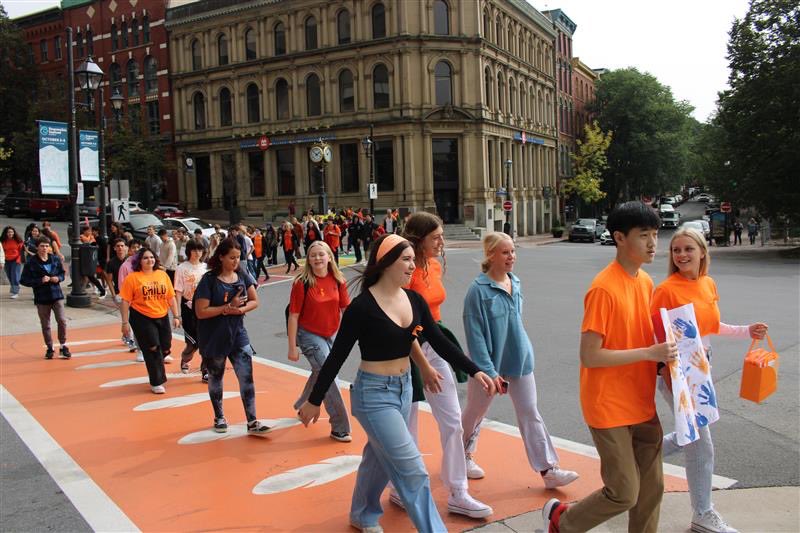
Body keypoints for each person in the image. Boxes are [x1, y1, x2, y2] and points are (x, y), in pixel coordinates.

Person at [298, 233, 496, 533]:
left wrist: (475, 370)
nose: (412, 266)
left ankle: (362, 513)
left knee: (378, 457)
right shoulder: (362, 308)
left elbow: (439, 341)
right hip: (373, 395)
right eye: (406, 260)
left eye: (412, 260)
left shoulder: (414, 300)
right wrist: (314, 400)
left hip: (403, 389)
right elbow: (336, 357)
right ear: (386, 263)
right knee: (413, 471)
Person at [543, 201, 677, 533]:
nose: (652, 243)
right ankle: (564, 521)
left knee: (652, 489)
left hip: (641, 400)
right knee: (624, 492)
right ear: (619, 237)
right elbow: (590, 355)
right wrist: (649, 353)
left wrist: (670, 356)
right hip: (608, 405)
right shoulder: (604, 288)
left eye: (655, 235)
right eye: (643, 235)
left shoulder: (645, 281)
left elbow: (643, 335)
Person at [651, 227, 768, 533]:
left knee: (689, 435)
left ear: (702, 251)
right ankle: (702, 514)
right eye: (676, 250)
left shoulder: (707, 284)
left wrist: (747, 330)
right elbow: (651, 334)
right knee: (701, 444)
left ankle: (637, 459)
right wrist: (665, 370)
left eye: (688, 249)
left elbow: (712, 326)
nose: (681, 255)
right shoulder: (665, 290)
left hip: (702, 371)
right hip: (677, 374)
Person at [394, 212, 494, 519]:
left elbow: (432, 319)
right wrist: (422, 365)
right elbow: (402, 324)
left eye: (441, 236)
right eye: (435, 237)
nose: (441, 242)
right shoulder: (404, 272)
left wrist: (473, 367)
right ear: (418, 240)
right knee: (407, 424)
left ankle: (458, 491)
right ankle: (400, 488)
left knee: (451, 418)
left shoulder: (434, 265)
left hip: (434, 341)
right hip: (405, 349)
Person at [462, 232, 579, 491]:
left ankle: (548, 470)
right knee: (475, 412)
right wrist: (489, 371)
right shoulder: (477, 291)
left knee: (530, 413)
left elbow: (515, 324)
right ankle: (462, 457)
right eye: (505, 252)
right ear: (491, 255)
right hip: (488, 367)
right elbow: (476, 337)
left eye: (513, 251)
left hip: (521, 361)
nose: (511, 256)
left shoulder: (516, 282)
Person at [194, 239, 269, 435]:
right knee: (216, 376)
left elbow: (255, 301)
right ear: (221, 257)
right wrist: (226, 309)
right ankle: (219, 416)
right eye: (232, 258)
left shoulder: (242, 274)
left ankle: (252, 421)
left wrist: (240, 309)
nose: (236, 261)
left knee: (246, 378)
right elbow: (201, 311)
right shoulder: (209, 280)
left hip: (238, 334)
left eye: (238, 257)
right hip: (214, 336)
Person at [287, 240, 352, 442]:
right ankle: (339, 426)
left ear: (329, 257)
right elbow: (293, 316)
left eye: (321, 254)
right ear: (308, 259)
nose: (317, 258)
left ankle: (303, 405)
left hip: (332, 333)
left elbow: (346, 311)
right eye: (313, 255)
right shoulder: (302, 283)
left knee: (320, 372)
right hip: (309, 335)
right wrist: (292, 347)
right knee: (328, 375)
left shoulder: (338, 280)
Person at [119, 248, 181, 394]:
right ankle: (156, 381)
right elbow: (125, 301)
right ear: (139, 261)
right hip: (141, 317)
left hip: (162, 314)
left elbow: (171, 297)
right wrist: (124, 322)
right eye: (145, 258)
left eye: (151, 257)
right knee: (152, 348)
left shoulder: (162, 275)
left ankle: (159, 359)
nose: (149, 260)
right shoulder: (133, 278)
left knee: (165, 345)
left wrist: (176, 316)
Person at [20, 236, 70, 359]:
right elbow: (24, 280)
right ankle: (50, 347)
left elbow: (62, 274)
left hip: (56, 295)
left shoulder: (55, 259)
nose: (44, 248)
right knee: (46, 324)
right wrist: (39, 280)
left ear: (50, 248)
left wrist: (58, 278)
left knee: (62, 321)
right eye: (42, 246)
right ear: (37, 247)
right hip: (41, 297)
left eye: (47, 246)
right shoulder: (31, 262)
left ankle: (63, 346)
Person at [174, 239, 208, 379]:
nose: (197, 253)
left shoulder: (206, 267)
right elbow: (178, 291)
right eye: (194, 250)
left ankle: (205, 370)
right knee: (193, 343)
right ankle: (186, 358)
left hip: (204, 307)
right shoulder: (181, 268)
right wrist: (178, 315)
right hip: (188, 308)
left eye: (200, 250)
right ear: (188, 251)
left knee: (206, 341)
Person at [105, 238, 137, 352]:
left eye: (122, 245)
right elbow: (109, 280)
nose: (120, 248)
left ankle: (126, 336)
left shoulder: (132, 261)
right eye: (118, 246)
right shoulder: (111, 263)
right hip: (121, 294)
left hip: (134, 294)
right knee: (126, 318)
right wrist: (114, 295)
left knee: (131, 318)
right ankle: (130, 340)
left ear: (126, 247)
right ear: (114, 248)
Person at [2, 226, 25, 298]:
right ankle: (15, 287)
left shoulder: (18, 240)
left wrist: (19, 260)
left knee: (14, 276)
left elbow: (21, 251)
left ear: (14, 233)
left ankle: (15, 292)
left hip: (16, 260)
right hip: (6, 261)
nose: (10, 233)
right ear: (6, 233)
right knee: (9, 276)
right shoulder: (2, 241)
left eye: (11, 232)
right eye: (8, 232)